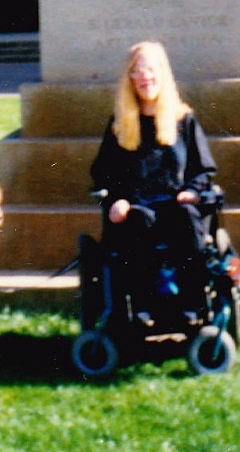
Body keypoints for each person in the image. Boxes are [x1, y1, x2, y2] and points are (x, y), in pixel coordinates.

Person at [89, 40, 217, 310]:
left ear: (162, 73)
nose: (146, 76)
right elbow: (103, 173)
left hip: (176, 204)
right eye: (138, 70)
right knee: (137, 220)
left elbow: (203, 168)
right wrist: (116, 200)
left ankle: (192, 300)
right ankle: (146, 303)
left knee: (186, 217)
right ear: (130, 78)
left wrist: (192, 191)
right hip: (138, 206)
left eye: (151, 68)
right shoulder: (119, 124)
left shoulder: (184, 120)